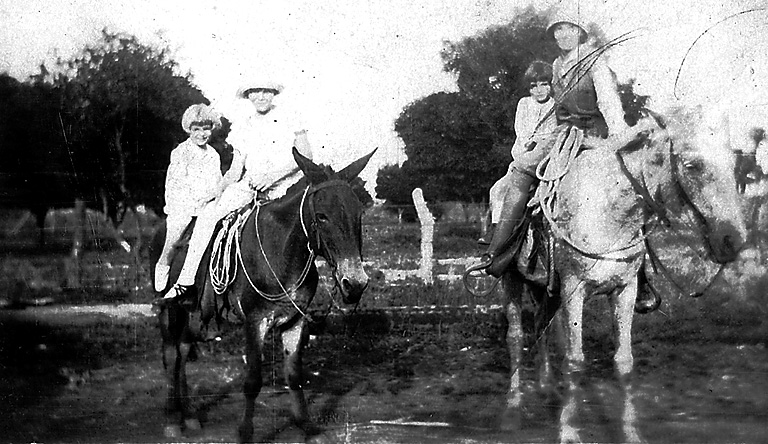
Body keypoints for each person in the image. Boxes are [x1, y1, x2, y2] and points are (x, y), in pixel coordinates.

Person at [160, 77, 313, 302]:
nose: (260, 96)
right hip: (249, 185)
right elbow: (235, 169)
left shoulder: (291, 118)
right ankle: (186, 280)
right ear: (248, 95)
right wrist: (217, 191)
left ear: (274, 94)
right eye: (255, 91)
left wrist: (272, 177)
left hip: (286, 188)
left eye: (266, 91)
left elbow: (306, 155)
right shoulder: (244, 125)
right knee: (207, 215)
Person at [154, 104, 236, 292]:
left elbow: (217, 182)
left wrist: (214, 196)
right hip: (183, 204)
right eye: (196, 129)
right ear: (189, 130)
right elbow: (175, 183)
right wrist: (190, 203)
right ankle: (164, 263)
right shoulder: (181, 152)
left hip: (206, 204)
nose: (201, 134)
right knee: (175, 235)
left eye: (206, 129)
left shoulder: (213, 154)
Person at [479, 61, 557, 245]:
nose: (539, 90)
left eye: (544, 84)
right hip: (523, 158)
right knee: (498, 189)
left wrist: (539, 141)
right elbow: (520, 130)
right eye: (534, 86)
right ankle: (497, 231)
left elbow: (553, 133)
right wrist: (527, 141)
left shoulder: (555, 106)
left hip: (544, 160)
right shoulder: (524, 104)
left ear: (551, 85)